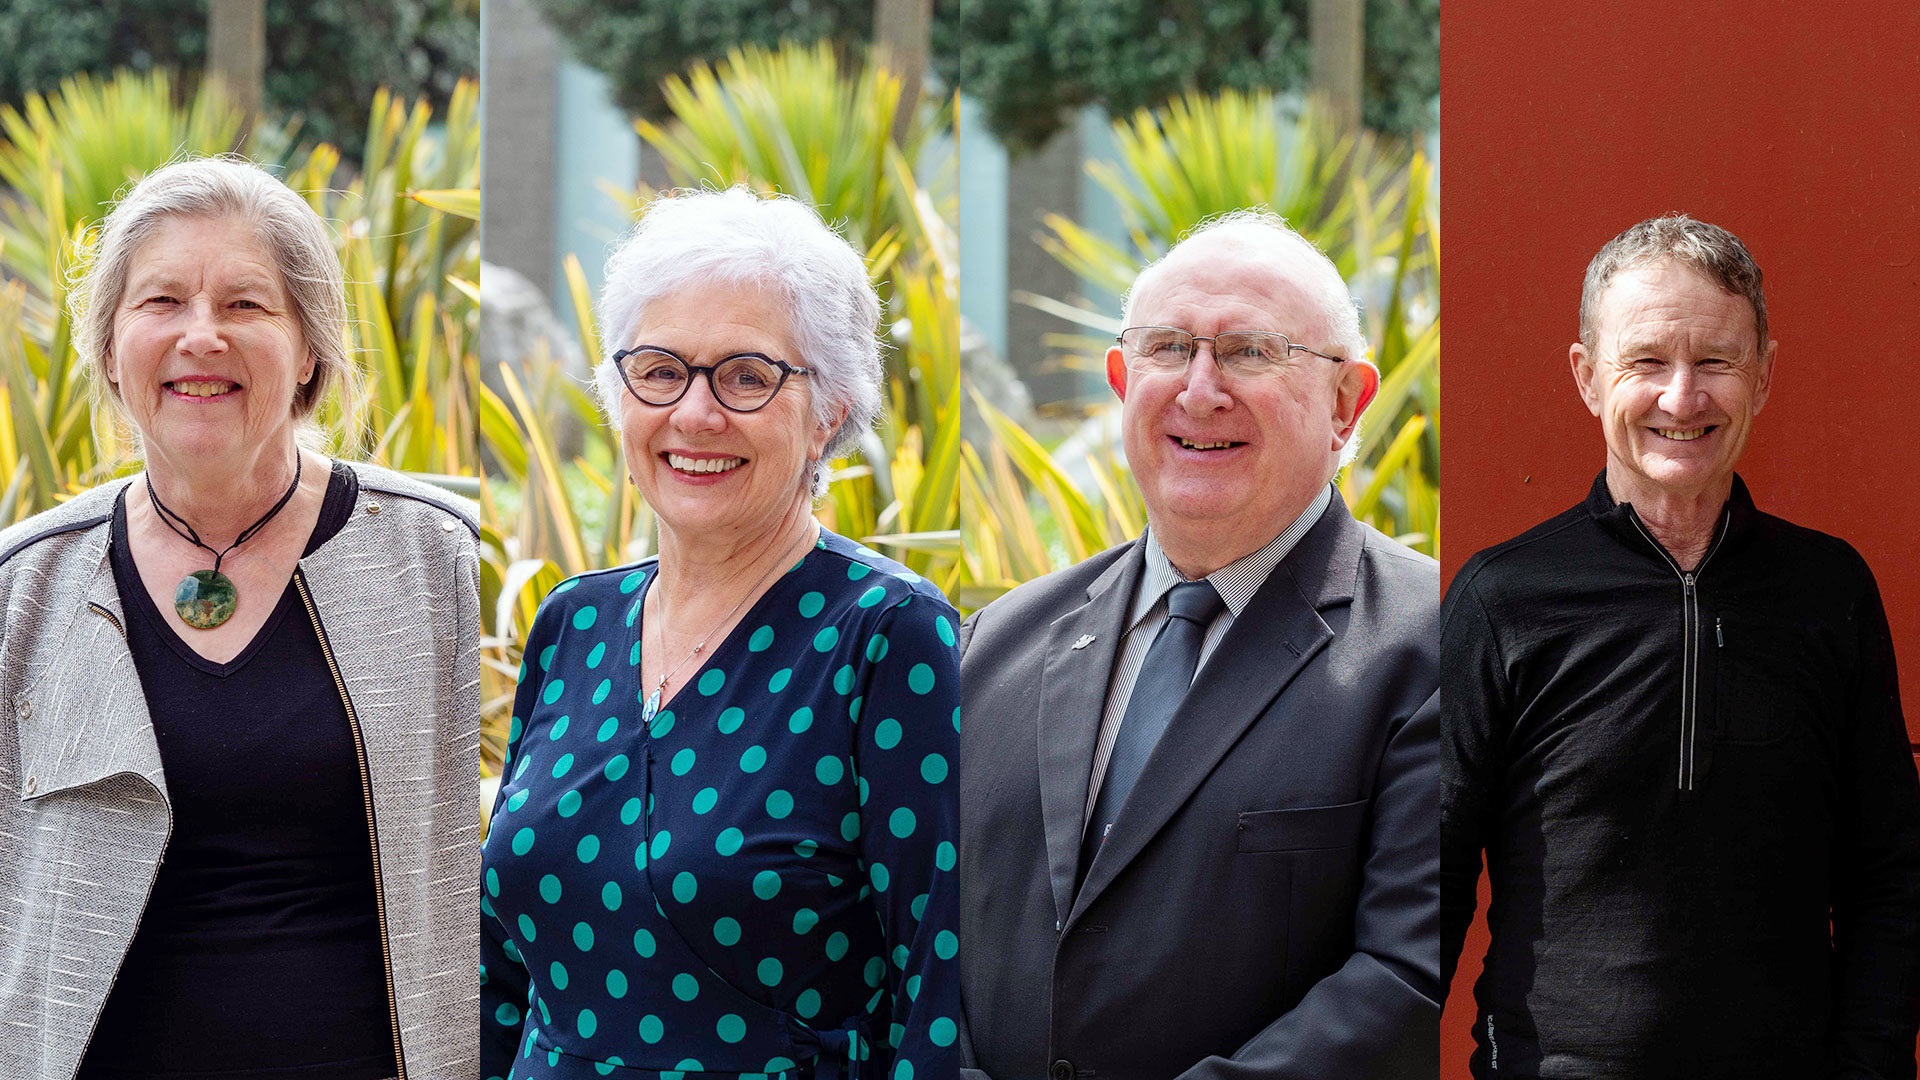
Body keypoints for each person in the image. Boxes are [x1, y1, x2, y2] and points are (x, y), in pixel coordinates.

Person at [0, 156, 479, 1079]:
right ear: (107, 345)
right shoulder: (26, 585)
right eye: (162, 302)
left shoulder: (430, 556)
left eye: (246, 305)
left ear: (309, 347)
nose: (201, 337)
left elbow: (477, 861)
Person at [481, 187, 961, 1080]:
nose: (695, 414)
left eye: (747, 376)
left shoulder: (887, 636)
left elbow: (937, 986)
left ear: (829, 413)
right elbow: (500, 973)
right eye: (660, 370)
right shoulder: (573, 625)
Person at [960, 211, 1440, 1079]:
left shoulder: (1431, 643)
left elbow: (1409, 982)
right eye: (1168, 348)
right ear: (1121, 378)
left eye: (1251, 351)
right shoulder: (994, 647)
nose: (1200, 389)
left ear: (1347, 402)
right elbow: (913, 943)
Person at [1441, 214, 1920, 1078]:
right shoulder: (1504, 598)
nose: (1682, 397)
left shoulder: (1830, 592)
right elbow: (1427, 885)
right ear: (1588, 378)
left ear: (1765, 375)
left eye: (1716, 362)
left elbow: (1891, 873)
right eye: (1647, 362)